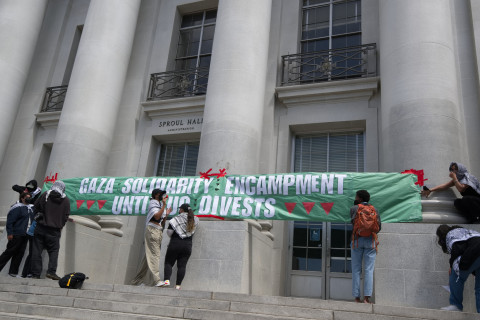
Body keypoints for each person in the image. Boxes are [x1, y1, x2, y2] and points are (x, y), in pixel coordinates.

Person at [131, 189, 171, 286]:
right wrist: (164, 205)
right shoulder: (153, 203)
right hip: (152, 230)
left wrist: (166, 214)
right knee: (155, 255)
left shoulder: (159, 205)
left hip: (158, 230)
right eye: (161, 194)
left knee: (148, 257)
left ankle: (136, 281)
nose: (163, 196)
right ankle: (156, 280)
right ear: (157, 195)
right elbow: (156, 217)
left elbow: (162, 221)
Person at [31, 181, 70, 280]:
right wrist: (60, 225)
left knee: (37, 250)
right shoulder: (66, 200)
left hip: (41, 227)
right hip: (55, 231)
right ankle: (51, 272)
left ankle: (36, 274)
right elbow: (66, 216)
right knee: (53, 251)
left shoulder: (46, 195)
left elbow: (35, 206)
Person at [436, 224, 480, 312]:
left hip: (475, 250)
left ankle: (456, 305)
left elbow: (457, 249)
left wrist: (452, 266)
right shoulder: (465, 231)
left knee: (455, 274)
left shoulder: (451, 234)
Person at [156, 203, 199, 289]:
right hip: (187, 245)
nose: (179, 210)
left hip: (175, 243)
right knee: (182, 266)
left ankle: (167, 280)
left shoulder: (175, 219)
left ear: (182, 210)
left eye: (180, 209)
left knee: (168, 262)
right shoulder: (195, 219)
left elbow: (169, 232)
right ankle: (178, 286)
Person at [350, 189, 381, 303]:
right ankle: (367, 298)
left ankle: (357, 297)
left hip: (357, 240)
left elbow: (352, 223)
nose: (355, 198)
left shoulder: (354, 208)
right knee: (368, 270)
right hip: (371, 241)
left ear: (360, 198)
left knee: (356, 269)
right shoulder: (374, 209)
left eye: (356, 197)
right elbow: (379, 226)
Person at [0, 192, 32, 277]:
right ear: (22, 198)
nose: (29, 199)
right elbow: (10, 222)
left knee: (20, 253)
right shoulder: (17, 208)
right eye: (27, 197)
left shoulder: (30, 208)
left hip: (25, 235)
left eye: (30, 197)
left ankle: (13, 272)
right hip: (17, 234)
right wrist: (10, 233)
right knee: (9, 252)